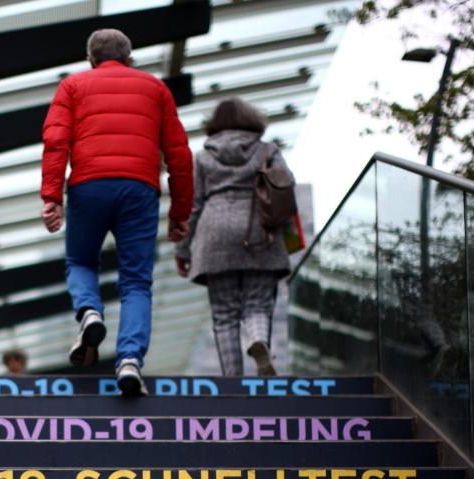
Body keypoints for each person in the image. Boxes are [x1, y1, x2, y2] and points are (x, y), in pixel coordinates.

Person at [40, 28, 193, 397]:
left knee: (80, 261)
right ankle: (129, 361)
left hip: (88, 186)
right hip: (139, 189)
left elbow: (56, 141)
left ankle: (90, 312)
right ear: (130, 57)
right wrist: (180, 211)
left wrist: (52, 196)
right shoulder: (156, 89)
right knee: (136, 282)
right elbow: (179, 154)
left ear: (90, 59)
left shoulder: (72, 86)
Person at [175, 97, 293, 376]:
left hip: (214, 233)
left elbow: (192, 206)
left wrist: (182, 249)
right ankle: (257, 339)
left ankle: (233, 379)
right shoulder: (267, 150)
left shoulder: (203, 157)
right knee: (257, 304)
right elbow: (285, 185)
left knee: (225, 314)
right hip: (260, 230)